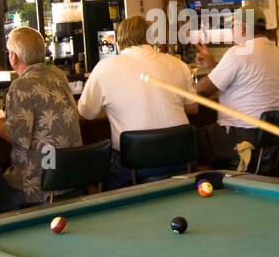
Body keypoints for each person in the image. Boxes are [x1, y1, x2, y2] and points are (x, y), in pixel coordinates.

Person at [77, 15, 196, 189]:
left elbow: (86, 113)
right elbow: (192, 108)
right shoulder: (177, 64)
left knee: (96, 181)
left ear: (118, 42)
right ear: (150, 38)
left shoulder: (105, 67)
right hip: (182, 161)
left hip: (134, 168)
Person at [0, 27, 82, 211]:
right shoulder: (58, 75)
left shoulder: (20, 85)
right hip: (70, 175)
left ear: (13, 57)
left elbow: (17, 135)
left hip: (38, 184)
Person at [194, 10, 279, 168]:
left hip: (242, 136)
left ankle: (215, 184)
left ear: (243, 29)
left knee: (189, 142)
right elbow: (241, 75)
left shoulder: (238, 52)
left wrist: (184, 85)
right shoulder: (275, 51)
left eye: (232, 27)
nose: (231, 32)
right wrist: (213, 66)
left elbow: (203, 90)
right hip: (271, 138)